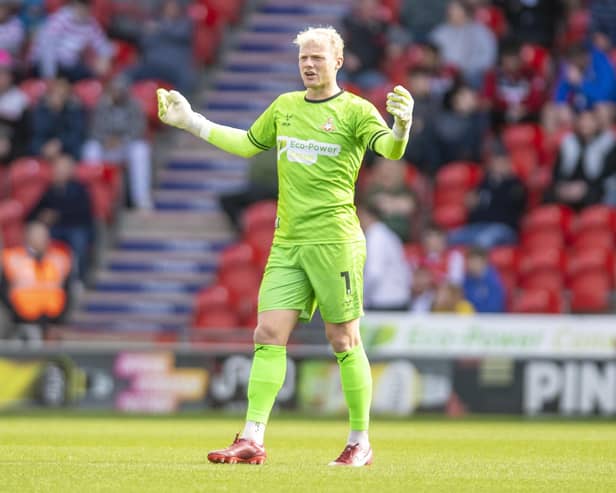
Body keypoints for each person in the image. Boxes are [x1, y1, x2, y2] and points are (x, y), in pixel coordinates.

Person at [157, 26, 414, 466]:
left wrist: (403, 124)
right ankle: (252, 438)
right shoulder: (285, 107)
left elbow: (390, 151)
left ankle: (360, 442)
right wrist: (191, 122)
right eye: (303, 59)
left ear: (338, 61)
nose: (309, 64)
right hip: (287, 242)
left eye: (317, 57)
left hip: (335, 242)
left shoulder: (354, 110)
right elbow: (245, 144)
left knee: (343, 339)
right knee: (267, 334)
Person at [82, 74, 153, 210]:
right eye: (114, 90)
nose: (116, 93)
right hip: (106, 147)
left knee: (141, 150)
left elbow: (139, 129)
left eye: (119, 90)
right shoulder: (101, 105)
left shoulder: (134, 105)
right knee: (90, 149)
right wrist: (105, 140)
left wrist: (122, 140)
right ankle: (92, 197)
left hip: (125, 147)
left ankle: (141, 199)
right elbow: (94, 129)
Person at [0, 221, 72, 340]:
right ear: (27, 237)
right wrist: (17, 316)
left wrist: (59, 320)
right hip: (22, 318)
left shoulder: (59, 259)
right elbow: (4, 290)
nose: (40, 240)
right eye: (36, 236)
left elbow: (67, 290)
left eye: (43, 236)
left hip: (52, 318)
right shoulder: (13, 259)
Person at [448, 139, 526, 248]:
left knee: (483, 241)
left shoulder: (515, 184)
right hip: (479, 226)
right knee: (450, 238)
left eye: (501, 162)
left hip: (503, 229)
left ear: (508, 163)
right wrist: (471, 204)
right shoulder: (484, 183)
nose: (498, 165)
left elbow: (513, 207)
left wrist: (499, 183)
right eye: (495, 162)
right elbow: (474, 204)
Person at [28, 154, 94, 282]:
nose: (59, 172)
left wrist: (57, 215)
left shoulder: (80, 189)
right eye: (57, 168)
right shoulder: (49, 190)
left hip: (76, 227)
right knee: (40, 238)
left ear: (71, 170)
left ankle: (79, 277)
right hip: (55, 229)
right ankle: (44, 275)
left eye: (63, 168)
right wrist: (43, 216)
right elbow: (34, 212)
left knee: (78, 241)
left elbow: (83, 213)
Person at [544, 106, 616, 211]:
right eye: (582, 120)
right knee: (549, 196)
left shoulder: (608, 143)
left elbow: (607, 174)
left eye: (589, 120)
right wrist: (563, 186)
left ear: (597, 122)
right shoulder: (568, 143)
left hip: (595, 187)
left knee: (594, 196)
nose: (585, 124)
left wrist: (583, 187)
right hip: (569, 187)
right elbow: (557, 171)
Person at [28, 0, 113, 82]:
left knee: (91, 77)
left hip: (69, 66)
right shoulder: (60, 19)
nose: (83, 9)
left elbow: (103, 45)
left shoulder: (90, 24)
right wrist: (49, 76)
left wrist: (104, 57)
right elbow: (47, 48)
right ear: (75, 4)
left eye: (86, 6)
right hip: (46, 64)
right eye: (81, 5)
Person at [358, 203, 410, 311]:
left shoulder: (376, 236)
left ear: (366, 216)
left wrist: (360, 296)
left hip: (384, 301)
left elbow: (374, 273)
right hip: (396, 297)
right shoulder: (386, 233)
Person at [362, 157, 418, 242]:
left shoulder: (406, 190)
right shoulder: (373, 191)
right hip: (377, 240)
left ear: (400, 171)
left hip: (401, 242)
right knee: (376, 233)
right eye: (384, 169)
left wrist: (390, 203)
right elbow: (365, 216)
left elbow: (410, 206)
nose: (387, 172)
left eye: (391, 169)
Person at [30, 76, 86, 160]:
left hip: (67, 150)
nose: (58, 97)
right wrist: (53, 112)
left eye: (62, 94)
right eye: (55, 93)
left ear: (67, 96)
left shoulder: (74, 110)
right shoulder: (40, 110)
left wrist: (60, 144)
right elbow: (37, 134)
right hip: (44, 149)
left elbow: (76, 134)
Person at [462, 246, 505, 313]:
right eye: (470, 261)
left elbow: (495, 307)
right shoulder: (466, 280)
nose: (471, 264)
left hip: (489, 320)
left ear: (484, 262)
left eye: (474, 261)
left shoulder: (493, 281)